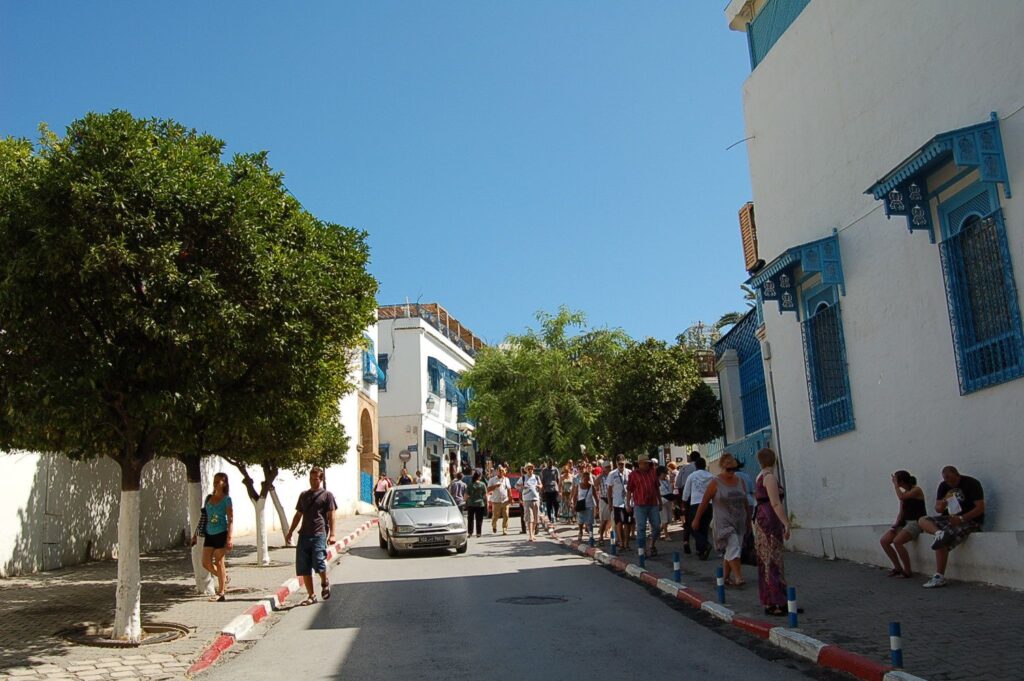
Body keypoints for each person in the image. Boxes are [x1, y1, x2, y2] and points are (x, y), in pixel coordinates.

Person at [917, 466, 985, 588]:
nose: (950, 483)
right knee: (922, 520)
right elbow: (937, 508)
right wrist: (942, 505)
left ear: (957, 475)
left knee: (943, 541)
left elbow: (980, 508)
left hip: (969, 520)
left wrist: (961, 519)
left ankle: (939, 576)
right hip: (950, 518)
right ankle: (938, 533)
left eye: (952, 481)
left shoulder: (971, 483)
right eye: (947, 480)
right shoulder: (943, 486)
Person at [694, 453, 749, 587]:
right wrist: (696, 519)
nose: (731, 472)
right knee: (734, 546)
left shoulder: (740, 481)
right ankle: (738, 577)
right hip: (723, 522)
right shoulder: (715, 482)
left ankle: (725, 577)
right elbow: (705, 501)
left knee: (732, 549)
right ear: (722, 468)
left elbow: (745, 501)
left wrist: (749, 520)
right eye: (728, 469)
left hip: (739, 521)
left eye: (734, 469)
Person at [285, 467, 337, 605]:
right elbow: (298, 515)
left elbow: (331, 515)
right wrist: (290, 531)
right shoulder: (303, 495)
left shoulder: (327, 495)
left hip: (319, 533)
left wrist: (332, 534)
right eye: (311, 479)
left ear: (321, 480)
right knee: (304, 566)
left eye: (316, 479)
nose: (313, 482)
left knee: (319, 562)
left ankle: (324, 581)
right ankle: (311, 595)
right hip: (304, 534)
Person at [753, 448, 791, 616]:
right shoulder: (769, 478)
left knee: (765, 559)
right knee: (774, 560)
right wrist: (786, 523)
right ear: (774, 460)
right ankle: (778, 601)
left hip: (761, 519)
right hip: (770, 520)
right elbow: (775, 503)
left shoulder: (759, 476)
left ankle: (769, 600)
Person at [191, 472, 233, 602]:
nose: (215, 483)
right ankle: (223, 578)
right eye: (215, 480)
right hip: (209, 533)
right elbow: (204, 517)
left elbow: (231, 519)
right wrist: (195, 535)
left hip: (221, 533)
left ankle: (221, 592)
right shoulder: (209, 498)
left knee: (219, 562)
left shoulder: (227, 499)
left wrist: (229, 538)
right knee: (205, 563)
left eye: (219, 481)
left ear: (224, 483)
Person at [879, 470, 926, 578]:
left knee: (897, 542)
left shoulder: (916, 490)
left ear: (902, 481)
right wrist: (896, 525)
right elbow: (901, 512)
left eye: (896, 480)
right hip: (904, 522)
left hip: (916, 522)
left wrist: (896, 486)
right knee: (884, 541)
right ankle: (897, 567)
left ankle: (907, 570)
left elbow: (901, 497)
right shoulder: (903, 493)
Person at [627, 456, 661, 557]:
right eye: (644, 463)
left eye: (647, 463)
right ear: (639, 464)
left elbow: (657, 488)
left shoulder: (653, 472)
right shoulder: (633, 475)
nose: (646, 465)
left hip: (653, 504)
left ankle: (652, 544)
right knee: (641, 528)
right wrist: (628, 504)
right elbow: (629, 490)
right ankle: (642, 550)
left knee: (657, 527)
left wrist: (660, 501)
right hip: (640, 505)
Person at [682, 458, 714, 559]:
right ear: (705, 465)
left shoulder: (692, 476)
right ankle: (701, 552)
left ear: (696, 466)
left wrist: (684, 502)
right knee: (704, 528)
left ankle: (704, 545)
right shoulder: (711, 476)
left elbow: (686, 492)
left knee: (693, 527)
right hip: (708, 504)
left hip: (695, 504)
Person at [607, 456, 632, 550]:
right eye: (619, 464)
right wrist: (610, 503)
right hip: (617, 502)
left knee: (628, 522)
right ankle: (621, 542)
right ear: (616, 463)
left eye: (623, 463)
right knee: (619, 522)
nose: (621, 465)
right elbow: (609, 490)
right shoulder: (612, 474)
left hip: (628, 501)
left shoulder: (629, 473)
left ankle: (626, 543)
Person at [518, 463, 542, 541]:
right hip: (527, 500)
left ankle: (533, 532)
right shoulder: (523, 478)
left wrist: (539, 486)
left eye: (531, 468)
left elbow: (541, 485)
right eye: (528, 469)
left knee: (535, 518)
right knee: (529, 518)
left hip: (536, 499)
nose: (530, 470)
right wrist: (522, 486)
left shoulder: (536, 477)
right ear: (526, 470)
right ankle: (530, 535)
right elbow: (516, 486)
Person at [487, 466, 512, 535]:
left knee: (506, 515)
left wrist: (510, 498)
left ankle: (504, 529)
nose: (501, 472)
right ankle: (494, 526)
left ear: (504, 472)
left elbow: (509, 489)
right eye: (499, 471)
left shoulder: (506, 479)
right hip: (496, 501)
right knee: (495, 516)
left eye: (502, 471)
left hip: (505, 500)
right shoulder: (492, 480)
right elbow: (488, 489)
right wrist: (495, 486)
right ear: (497, 471)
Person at [575, 469, 598, 542]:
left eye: (588, 478)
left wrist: (597, 506)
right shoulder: (578, 486)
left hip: (589, 506)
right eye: (585, 478)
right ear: (582, 478)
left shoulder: (591, 486)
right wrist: (574, 504)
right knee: (581, 521)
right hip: (581, 506)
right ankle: (580, 532)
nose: (586, 480)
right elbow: (575, 496)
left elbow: (595, 496)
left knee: (590, 522)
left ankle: (591, 536)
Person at [466, 471, 487, 538]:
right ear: (479, 477)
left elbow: (466, 495)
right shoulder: (482, 484)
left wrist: (465, 501)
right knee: (479, 519)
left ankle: (470, 532)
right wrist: (486, 503)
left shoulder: (470, 484)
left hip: (471, 504)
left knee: (470, 519)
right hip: (480, 504)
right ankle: (478, 533)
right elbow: (485, 495)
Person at [596, 463, 612, 545]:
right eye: (607, 467)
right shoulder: (601, 477)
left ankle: (613, 537)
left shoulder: (613, 475)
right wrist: (601, 475)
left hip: (613, 500)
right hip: (604, 499)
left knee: (613, 520)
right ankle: (601, 537)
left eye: (609, 467)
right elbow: (595, 484)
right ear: (603, 468)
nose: (609, 468)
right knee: (604, 520)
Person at [658, 465, 673, 541]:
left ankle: (657, 532)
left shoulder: (667, 481)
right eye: (664, 473)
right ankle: (666, 535)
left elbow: (670, 489)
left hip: (669, 501)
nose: (665, 475)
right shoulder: (657, 482)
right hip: (661, 502)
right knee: (664, 519)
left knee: (670, 519)